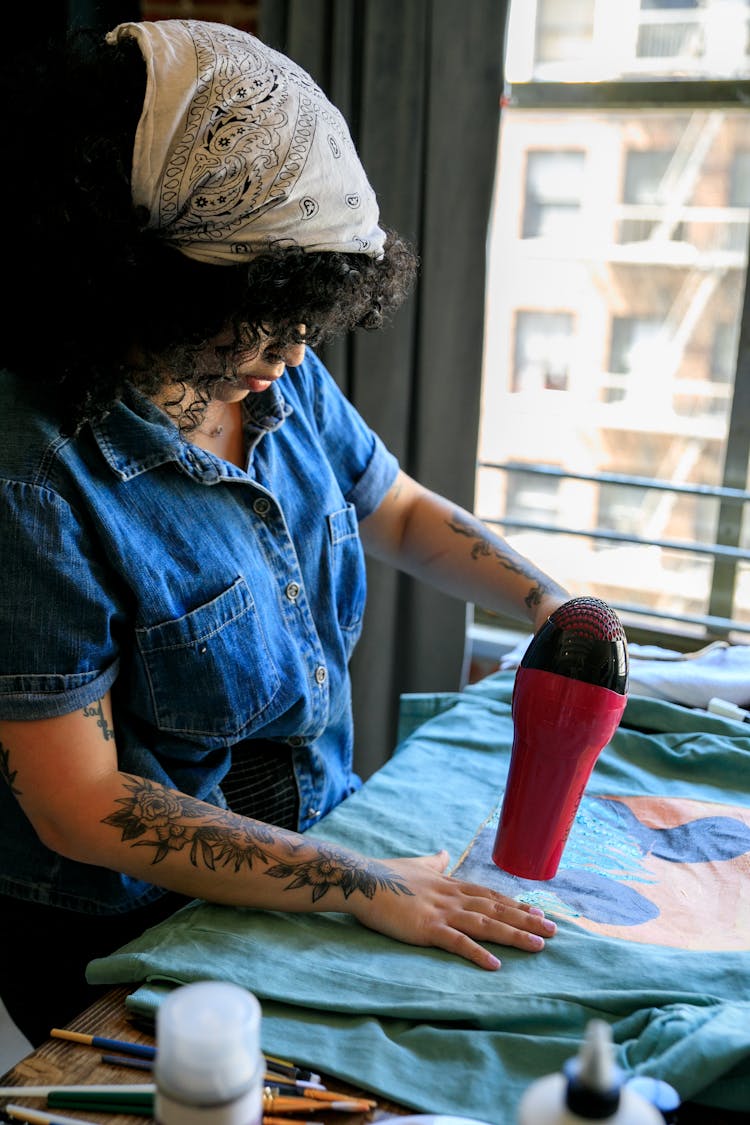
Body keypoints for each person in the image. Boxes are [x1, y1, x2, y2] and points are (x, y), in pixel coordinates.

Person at [0, 19, 570, 1047]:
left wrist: (549, 603)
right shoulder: (34, 481)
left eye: (306, 316)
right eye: (265, 319)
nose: (296, 353)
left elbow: (388, 506)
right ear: (146, 283)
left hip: (319, 835)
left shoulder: (266, 368)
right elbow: (79, 802)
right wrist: (359, 884)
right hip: (130, 926)